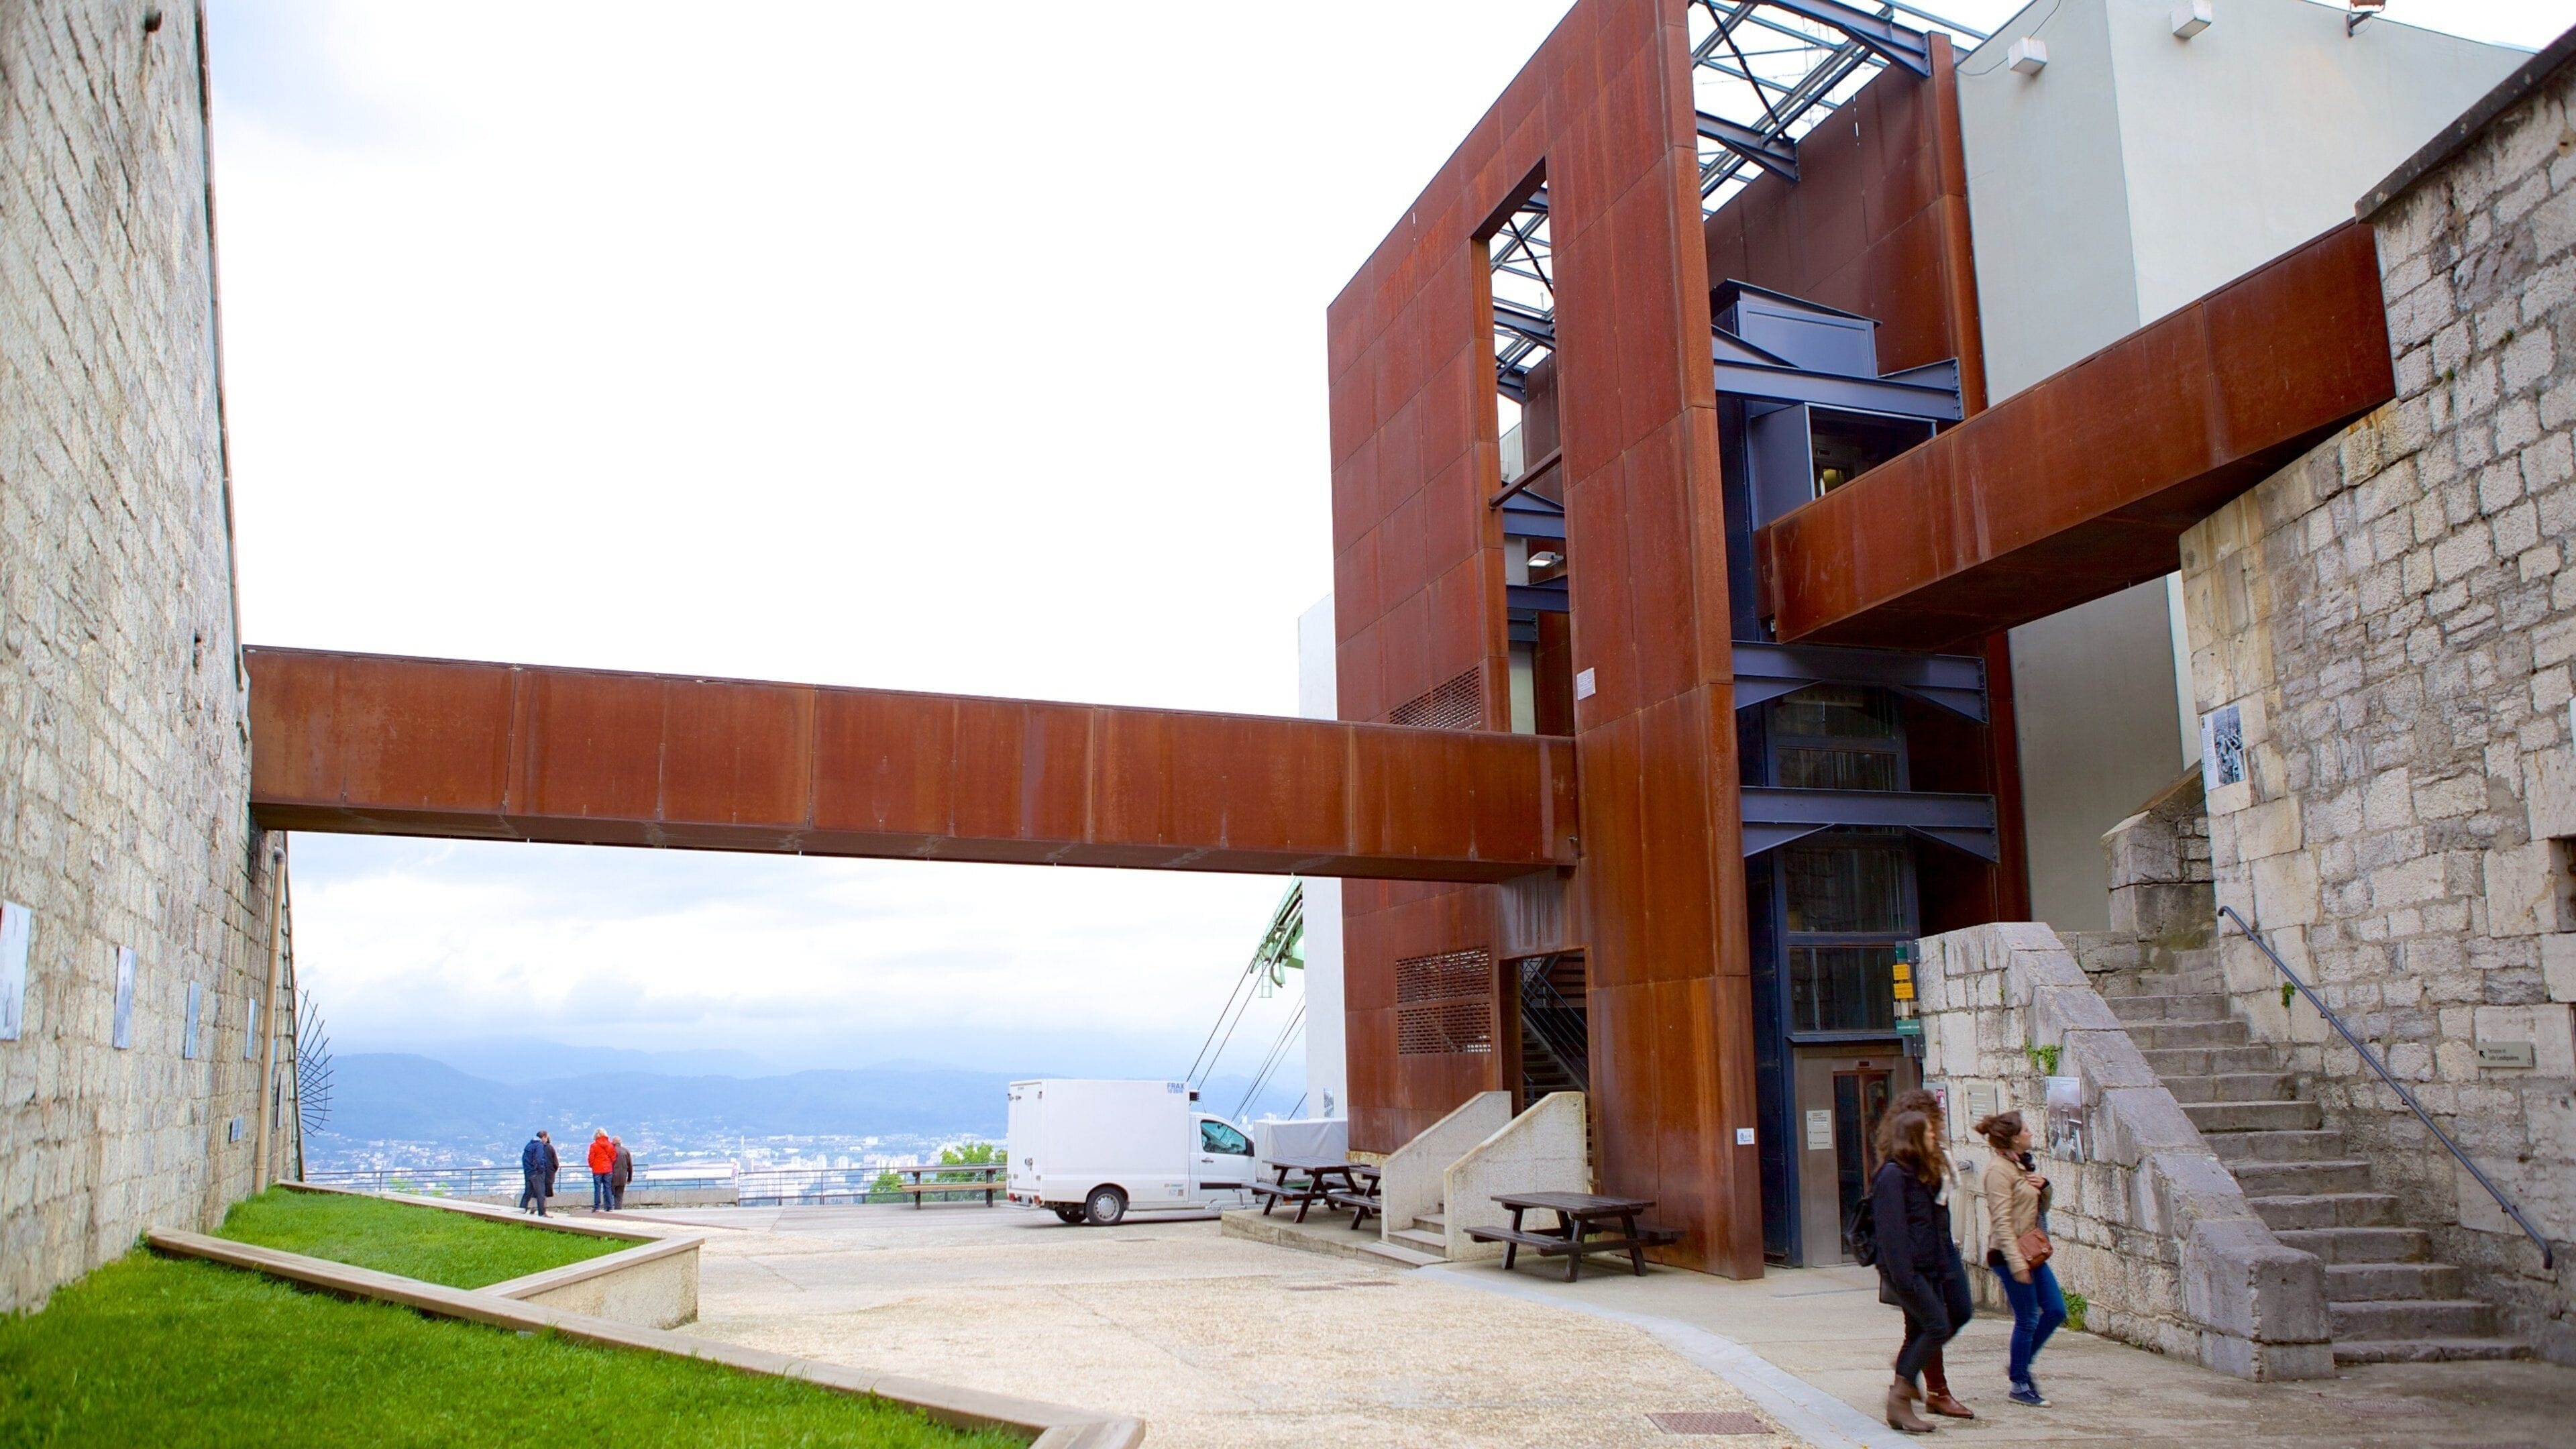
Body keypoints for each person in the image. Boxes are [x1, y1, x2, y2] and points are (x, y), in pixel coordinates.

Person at [1873, 1108, 1972, 1435]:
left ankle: (1900, 1405)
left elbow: (1933, 1226)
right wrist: (1906, 1280)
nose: (1935, 1138)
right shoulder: (1892, 1177)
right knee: (1937, 1325)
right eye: (1929, 1134)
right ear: (1914, 1137)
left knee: (1921, 1331)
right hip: (1909, 1274)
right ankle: (1899, 1398)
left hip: (1927, 1268)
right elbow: (1892, 1234)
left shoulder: (1919, 1175)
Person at [1976, 1110, 2066, 1407]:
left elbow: (2039, 1208)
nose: (2031, 1133)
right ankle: (2019, 1383)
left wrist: (2045, 1187)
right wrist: (2017, 1266)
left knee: (2055, 1310)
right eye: (2026, 1130)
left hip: (2032, 1250)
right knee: (2027, 1319)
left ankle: (2021, 1364)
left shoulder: (2020, 1165)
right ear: (2014, 1138)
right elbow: (2001, 1223)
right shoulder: (1998, 1172)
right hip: (2010, 1255)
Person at [520, 1129, 557, 1217]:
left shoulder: (529, 1145)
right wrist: (541, 1170)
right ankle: (542, 1213)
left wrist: (528, 1170)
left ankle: (521, 1211)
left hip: (528, 1173)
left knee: (527, 1193)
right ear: (544, 1137)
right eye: (546, 1138)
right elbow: (539, 1159)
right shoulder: (539, 1145)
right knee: (541, 1194)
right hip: (537, 1174)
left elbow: (524, 1159)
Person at [587, 1128, 617, 1212]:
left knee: (597, 1188)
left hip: (597, 1169)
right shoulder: (610, 1145)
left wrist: (593, 1165)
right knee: (608, 1187)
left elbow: (591, 1158)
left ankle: (597, 1206)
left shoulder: (594, 1146)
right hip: (608, 1169)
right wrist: (608, 1164)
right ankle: (609, 1206)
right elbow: (613, 1157)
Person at [609, 1136, 634, 1212]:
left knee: (609, 1194)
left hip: (612, 1177)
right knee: (619, 1196)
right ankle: (618, 1211)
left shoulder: (611, 1151)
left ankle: (609, 1210)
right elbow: (630, 1166)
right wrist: (629, 1179)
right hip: (622, 1178)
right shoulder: (626, 1151)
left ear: (613, 1142)